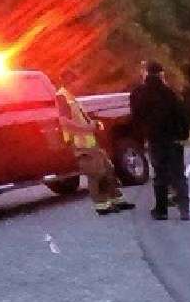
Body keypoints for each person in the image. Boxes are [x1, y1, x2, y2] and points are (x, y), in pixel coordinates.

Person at [57, 71, 134, 216]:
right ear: (70, 81)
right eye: (77, 81)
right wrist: (85, 128)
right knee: (96, 174)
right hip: (82, 144)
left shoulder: (71, 97)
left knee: (108, 169)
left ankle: (117, 200)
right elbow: (64, 122)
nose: (80, 84)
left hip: (90, 142)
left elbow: (79, 117)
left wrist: (93, 124)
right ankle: (102, 206)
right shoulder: (62, 97)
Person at [130, 61, 190, 221]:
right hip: (173, 139)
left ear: (146, 73)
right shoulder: (170, 92)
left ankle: (161, 210)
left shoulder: (138, 94)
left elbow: (136, 119)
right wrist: (183, 135)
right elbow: (181, 115)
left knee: (160, 174)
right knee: (178, 174)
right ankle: (184, 209)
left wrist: (141, 139)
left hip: (155, 140)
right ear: (161, 74)